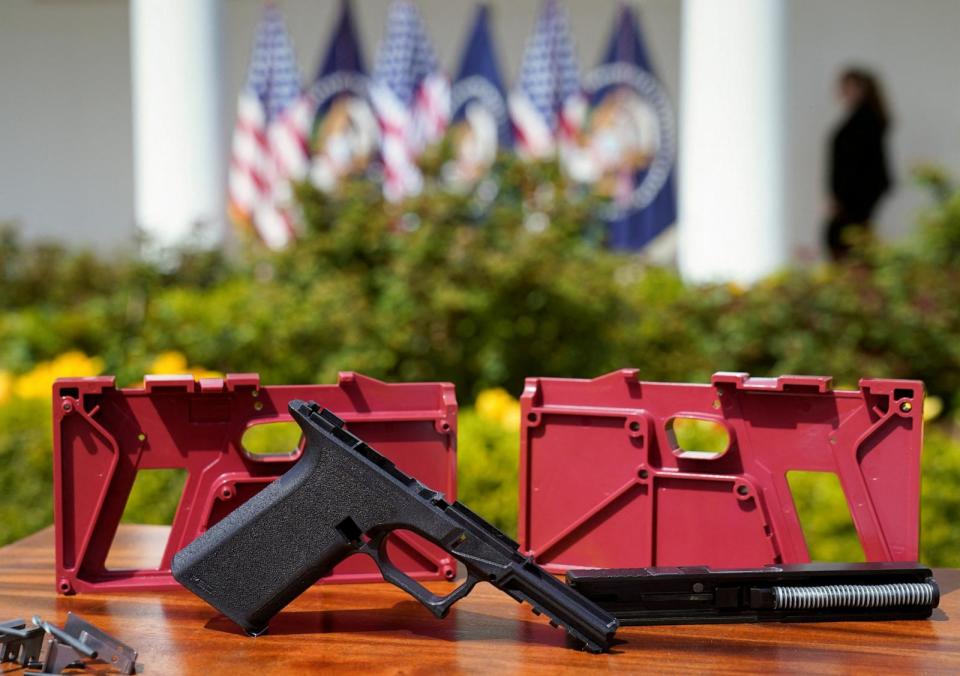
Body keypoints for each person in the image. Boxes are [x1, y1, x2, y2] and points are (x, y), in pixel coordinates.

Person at [825, 68, 892, 260]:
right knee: (849, 243)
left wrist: (843, 197)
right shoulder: (862, 120)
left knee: (847, 244)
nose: (843, 91)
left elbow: (861, 167)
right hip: (851, 197)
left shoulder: (866, 122)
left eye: (848, 86)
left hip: (855, 198)